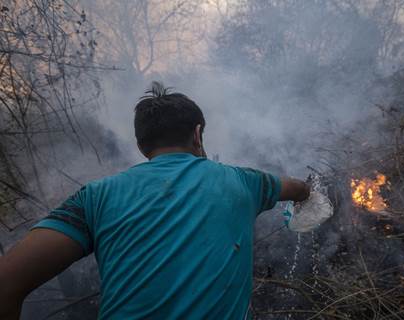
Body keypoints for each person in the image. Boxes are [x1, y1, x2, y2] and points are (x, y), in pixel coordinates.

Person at [0, 82, 310, 319]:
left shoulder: (95, 196)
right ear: (198, 134)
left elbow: (6, 283)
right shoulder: (243, 181)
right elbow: (295, 187)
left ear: (140, 145)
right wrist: (308, 194)